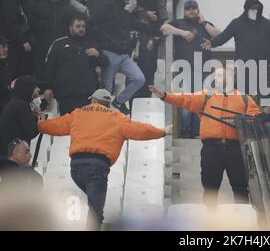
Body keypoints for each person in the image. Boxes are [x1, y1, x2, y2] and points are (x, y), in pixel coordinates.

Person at [38, 88, 172, 230]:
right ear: (107, 104)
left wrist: (39, 125)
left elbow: (57, 125)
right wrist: (161, 132)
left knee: (93, 207)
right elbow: (140, 130)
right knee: (96, 213)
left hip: (76, 169)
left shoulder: (78, 113)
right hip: (97, 168)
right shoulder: (117, 118)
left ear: (93, 101)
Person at [149, 66, 261, 208]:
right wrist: (164, 95)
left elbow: (255, 117)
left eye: (220, 75)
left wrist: (240, 121)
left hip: (236, 150)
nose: (216, 78)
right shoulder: (205, 96)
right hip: (211, 150)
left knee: (240, 189)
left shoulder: (245, 99)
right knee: (210, 189)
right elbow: (184, 99)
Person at [201, 0, 270, 97]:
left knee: (265, 99)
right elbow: (224, 36)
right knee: (245, 99)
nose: (255, 11)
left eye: (257, 9)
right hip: (244, 68)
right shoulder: (237, 23)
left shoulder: (266, 24)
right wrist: (212, 43)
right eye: (252, 9)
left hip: (263, 67)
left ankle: (265, 113)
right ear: (246, 10)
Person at [160, 0, 221, 138]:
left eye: (194, 8)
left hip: (205, 70)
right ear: (184, 11)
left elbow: (219, 34)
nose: (191, 11)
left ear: (198, 10)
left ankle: (199, 132)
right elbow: (164, 28)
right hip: (185, 70)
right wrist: (182, 33)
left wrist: (204, 23)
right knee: (187, 104)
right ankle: (185, 133)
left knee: (202, 103)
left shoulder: (204, 24)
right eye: (188, 9)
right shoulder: (179, 22)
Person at [45, 14, 109, 115]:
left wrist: (97, 55)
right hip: (66, 94)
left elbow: (106, 63)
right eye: (78, 26)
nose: (81, 29)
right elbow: (49, 67)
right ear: (71, 27)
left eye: (83, 26)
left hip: (87, 93)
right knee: (68, 126)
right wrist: (47, 87)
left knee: (86, 126)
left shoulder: (90, 43)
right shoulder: (59, 44)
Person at [28, 0, 75, 83]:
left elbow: (73, 28)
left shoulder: (69, 9)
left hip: (62, 47)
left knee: (60, 75)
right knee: (41, 75)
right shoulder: (39, 8)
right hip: (42, 46)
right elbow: (31, 26)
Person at [132, 0, 168, 98]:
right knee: (135, 71)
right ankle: (135, 99)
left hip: (152, 34)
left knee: (149, 69)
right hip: (137, 33)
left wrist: (164, 25)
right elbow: (131, 7)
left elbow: (162, 9)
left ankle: (146, 97)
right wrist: (145, 13)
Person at [0, 0, 33, 80]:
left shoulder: (9, 5)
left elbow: (12, 27)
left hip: (9, 46)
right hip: (11, 46)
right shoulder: (10, 5)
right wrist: (23, 41)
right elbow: (15, 27)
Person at [0, 76, 40, 157]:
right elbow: (31, 132)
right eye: (35, 87)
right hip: (11, 153)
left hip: (9, 149)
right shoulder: (22, 105)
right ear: (28, 88)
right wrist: (39, 118)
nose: (38, 89)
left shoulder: (16, 102)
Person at [0, 36, 13, 114]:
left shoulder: (5, 63)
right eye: (3, 46)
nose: (6, 49)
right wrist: (8, 88)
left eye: (7, 47)